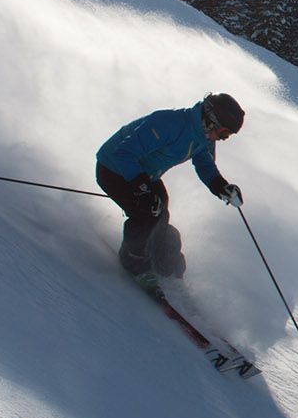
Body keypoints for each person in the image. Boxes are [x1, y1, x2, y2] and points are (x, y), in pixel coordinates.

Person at [95, 93, 245, 287]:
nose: (223, 139)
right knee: (149, 211)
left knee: (161, 207)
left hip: (145, 174)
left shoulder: (204, 138)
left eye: (228, 136)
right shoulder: (170, 123)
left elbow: (205, 164)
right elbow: (123, 153)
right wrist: (142, 188)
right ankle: (134, 259)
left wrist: (221, 187)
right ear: (211, 120)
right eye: (224, 133)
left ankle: (164, 262)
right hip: (113, 169)